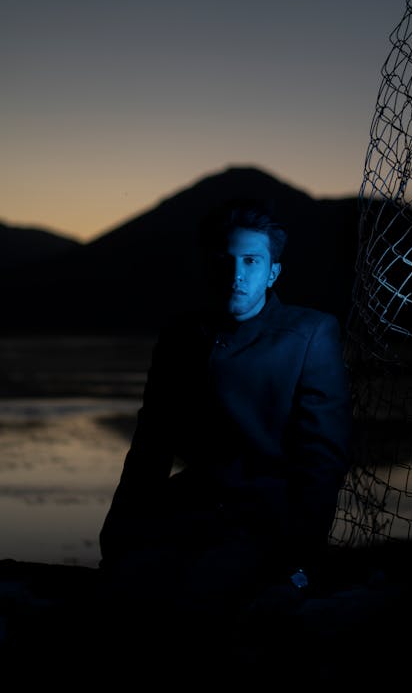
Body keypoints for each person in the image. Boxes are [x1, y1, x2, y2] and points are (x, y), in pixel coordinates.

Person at [97, 197, 352, 681]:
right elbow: (152, 442)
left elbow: (323, 460)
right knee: (121, 598)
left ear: (273, 272)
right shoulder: (181, 335)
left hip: (264, 518)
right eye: (225, 260)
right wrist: (119, 527)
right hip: (190, 507)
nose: (237, 273)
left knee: (199, 609)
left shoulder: (310, 333)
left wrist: (299, 566)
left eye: (251, 261)